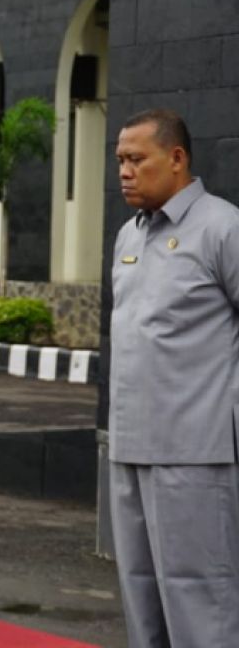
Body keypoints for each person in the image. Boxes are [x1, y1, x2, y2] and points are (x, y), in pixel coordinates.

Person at [108, 108, 239, 647]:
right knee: (142, 595)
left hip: (196, 453)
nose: (124, 171)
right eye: (120, 160)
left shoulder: (222, 227)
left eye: (137, 159)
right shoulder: (128, 237)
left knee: (201, 597)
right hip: (129, 446)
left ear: (178, 158)